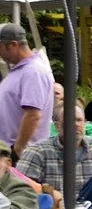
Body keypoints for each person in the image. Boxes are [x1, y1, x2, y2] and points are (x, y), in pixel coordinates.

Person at [18, 101, 92, 202]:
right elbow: (20, 190)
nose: (76, 125)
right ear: (57, 126)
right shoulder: (37, 152)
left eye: (79, 120)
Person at [0, 23, 56, 160]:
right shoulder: (20, 70)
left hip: (21, 152)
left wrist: (18, 148)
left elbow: (33, 114)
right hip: (10, 149)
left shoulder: (33, 71)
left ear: (13, 45)